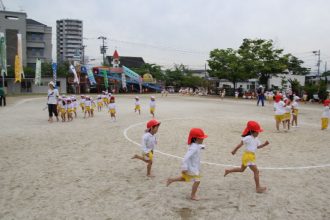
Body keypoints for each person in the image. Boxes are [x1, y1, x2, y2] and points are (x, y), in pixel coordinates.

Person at [224, 121, 269, 193]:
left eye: (258, 132)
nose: (258, 133)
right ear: (251, 131)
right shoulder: (248, 138)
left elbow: (258, 147)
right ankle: (258, 187)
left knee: (242, 169)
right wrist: (234, 151)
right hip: (248, 156)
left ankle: (228, 171)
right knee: (256, 171)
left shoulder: (256, 139)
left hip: (251, 156)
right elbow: (240, 144)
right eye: (257, 132)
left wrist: (264, 144)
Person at [166, 128, 208, 201]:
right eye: (201, 138)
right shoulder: (193, 148)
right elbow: (185, 158)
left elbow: (198, 146)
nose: (203, 139)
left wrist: (202, 147)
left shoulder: (195, 145)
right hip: (192, 168)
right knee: (197, 181)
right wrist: (184, 168)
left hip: (193, 167)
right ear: (195, 139)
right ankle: (193, 195)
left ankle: (171, 180)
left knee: (185, 178)